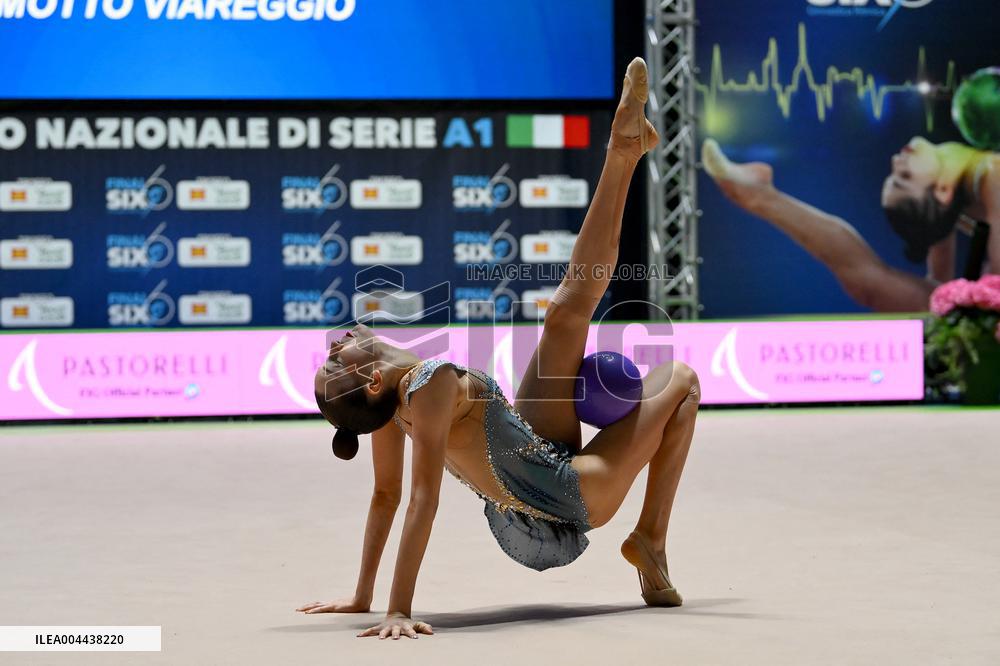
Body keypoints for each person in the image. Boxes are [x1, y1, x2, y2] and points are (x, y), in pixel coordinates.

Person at [297, 58, 702, 640]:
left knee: (565, 313)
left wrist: (362, 595)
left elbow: (383, 495)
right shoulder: (428, 384)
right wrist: (397, 609)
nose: (336, 342)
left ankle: (625, 150)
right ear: (371, 383)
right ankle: (651, 540)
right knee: (682, 378)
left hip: (534, 461)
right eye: (335, 362)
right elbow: (418, 501)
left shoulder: (392, 407)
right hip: (564, 503)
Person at [702, 136, 999, 311]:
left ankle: (761, 197)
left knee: (877, 286)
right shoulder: (967, 182)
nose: (898, 162)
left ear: (942, 190)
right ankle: (761, 196)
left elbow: (994, 285)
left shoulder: (991, 177)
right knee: (881, 287)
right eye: (901, 176)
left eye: (904, 178)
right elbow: (941, 288)